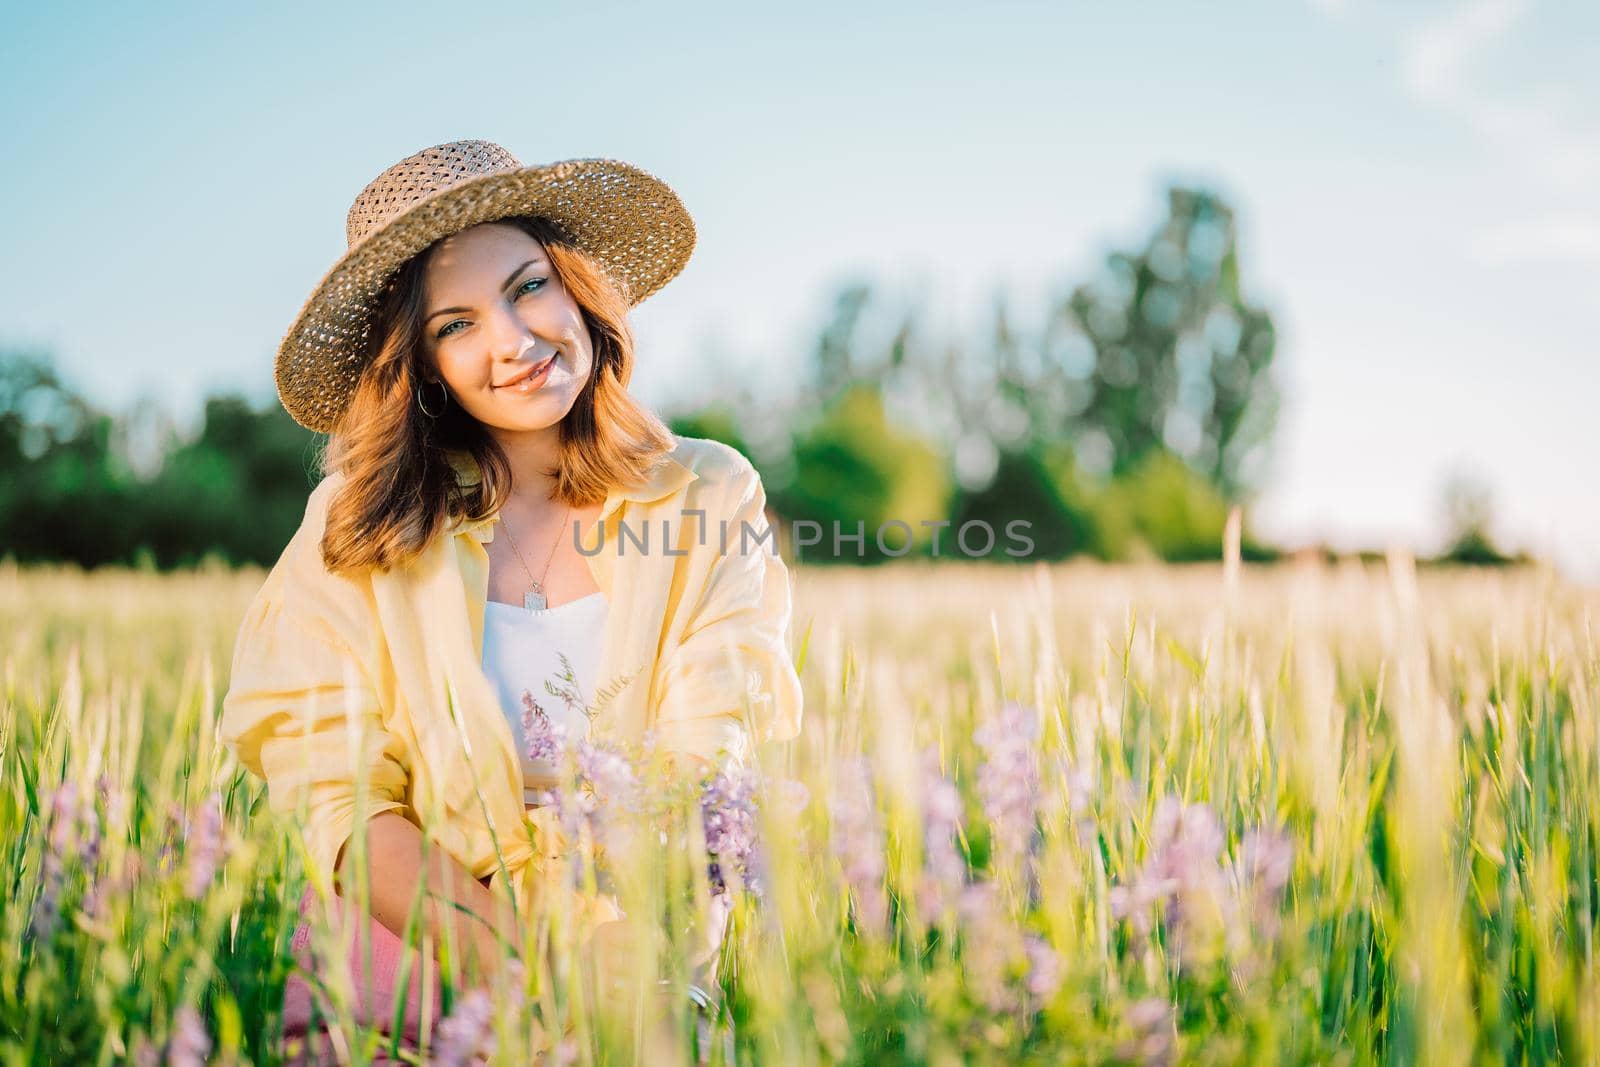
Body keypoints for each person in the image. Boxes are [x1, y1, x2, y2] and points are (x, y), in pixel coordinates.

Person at [218, 140, 804, 1061]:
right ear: (420, 366)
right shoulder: (357, 524)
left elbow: (707, 752)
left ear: (577, 288)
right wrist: (532, 982)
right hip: (401, 965)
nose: (515, 340)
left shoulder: (706, 494)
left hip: (639, 958)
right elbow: (337, 794)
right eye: (456, 324)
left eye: (529, 286)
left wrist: (625, 982)